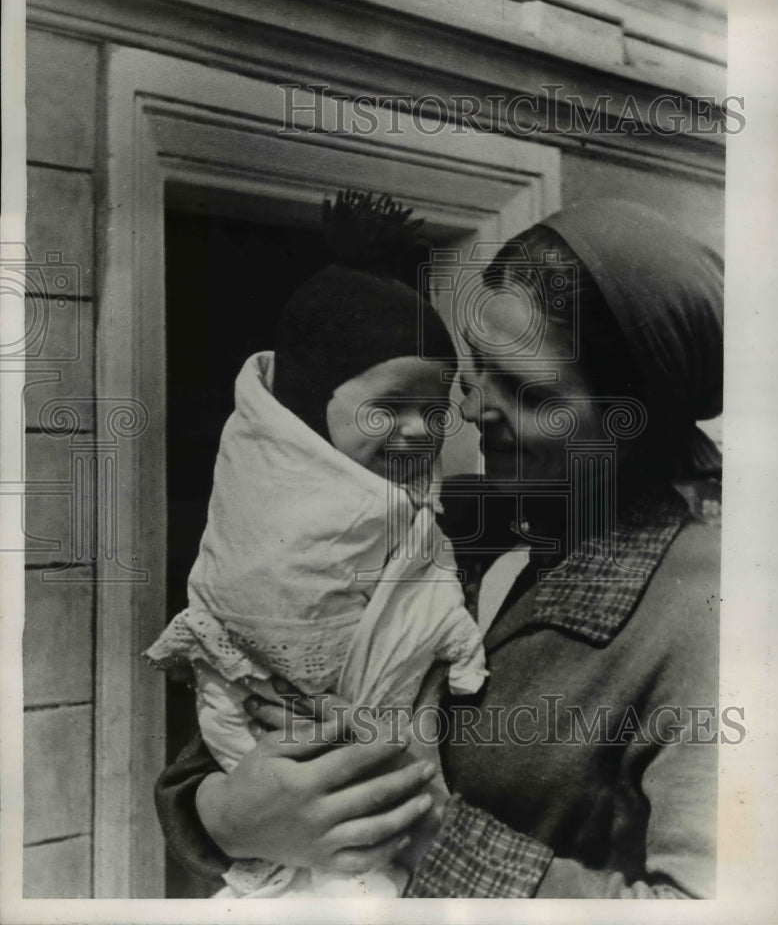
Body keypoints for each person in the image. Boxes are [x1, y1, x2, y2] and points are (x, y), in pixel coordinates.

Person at [154, 198, 723, 899]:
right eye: (480, 367)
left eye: (527, 390)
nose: (476, 408)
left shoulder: (707, 614)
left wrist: (421, 829)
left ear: (633, 421)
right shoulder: (444, 522)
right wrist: (224, 818)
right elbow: (245, 703)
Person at [146, 192, 487, 898]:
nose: (421, 433)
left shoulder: (435, 521)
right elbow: (219, 733)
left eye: (433, 411)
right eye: (387, 408)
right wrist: (223, 813)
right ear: (308, 404)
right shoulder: (267, 516)